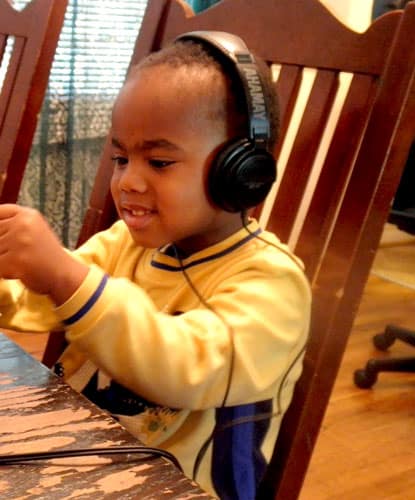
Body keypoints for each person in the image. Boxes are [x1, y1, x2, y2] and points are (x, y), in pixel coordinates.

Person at [0, 31, 311, 499]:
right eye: (121, 158)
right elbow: (43, 301)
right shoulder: (125, 244)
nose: (127, 181)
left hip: (172, 486)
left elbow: (182, 367)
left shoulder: (273, 285)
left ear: (242, 172)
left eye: (159, 162)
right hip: (80, 452)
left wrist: (66, 276)